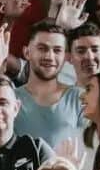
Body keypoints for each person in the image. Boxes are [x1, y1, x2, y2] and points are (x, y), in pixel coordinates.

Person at [15, 22, 84, 150]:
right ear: (27, 52)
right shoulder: (11, 98)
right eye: (42, 48)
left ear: (66, 57)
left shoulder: (79, 98)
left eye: (57, 50)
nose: (49, 56)